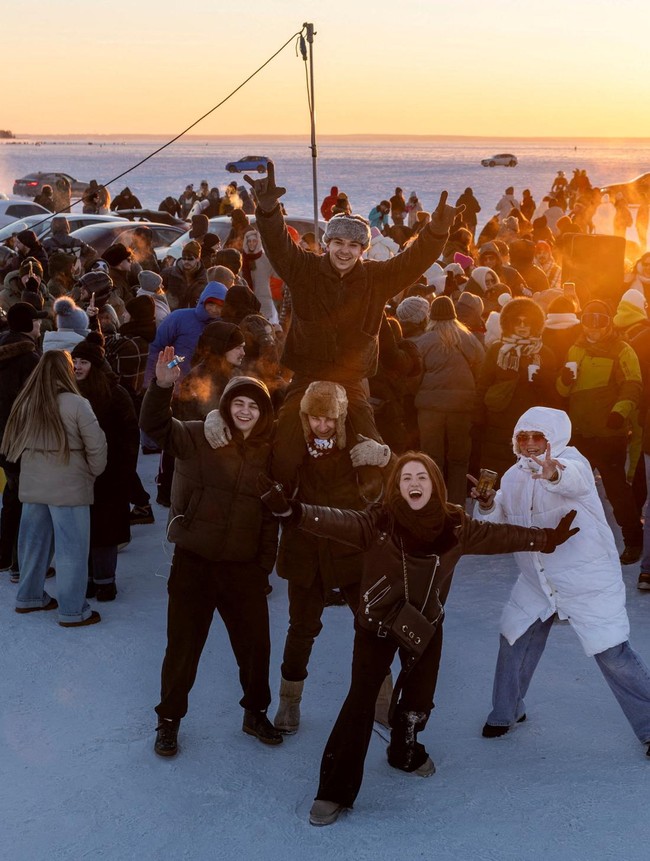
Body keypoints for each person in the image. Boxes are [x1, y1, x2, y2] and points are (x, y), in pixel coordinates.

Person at [261, 451, 576, 825]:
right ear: (397, 486)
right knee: (360, 703)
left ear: (435, 486)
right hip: (378, 625)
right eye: (406, 477)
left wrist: (546, 538)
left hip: (424, 624)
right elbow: (337, 520)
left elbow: (500, 535)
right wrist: (293, 512)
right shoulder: (378, 522)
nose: (414, 483)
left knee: (419, 698)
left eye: (422, 477)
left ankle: (404, 752)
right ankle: (334, 790)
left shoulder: (456, 526)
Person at [245, 160, 462, 494]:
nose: (344, 251)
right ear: (327, 243)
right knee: (284, 450)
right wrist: (269, 210)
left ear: (363, 250)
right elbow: (277, 245)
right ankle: (281, 503)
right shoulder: (304, 269)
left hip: (353, 384)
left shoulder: (377, 278)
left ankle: (375, 509)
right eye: (339, 243)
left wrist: (436, 232)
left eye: (353, 245)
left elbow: (414, 260)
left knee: (371, 452)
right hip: (305, 378)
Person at [474, 406, 650, 756]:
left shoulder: (573, 462)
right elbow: (495, 526)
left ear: (553, 438)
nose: (529, 444)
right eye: (523, 437)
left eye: (538, 436)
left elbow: (574, 479)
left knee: (612, 651)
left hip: (586, 578)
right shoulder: (512, 476)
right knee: (514, 637)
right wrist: (489, 504)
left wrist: (554, 474)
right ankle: (507, 710)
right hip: (537, 580)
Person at [140, 349, 281, 756]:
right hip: (195, 562)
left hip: (243, 567)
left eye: (253, 406)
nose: (245, 411)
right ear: (226, 406)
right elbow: (155, 426)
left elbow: (271, 518)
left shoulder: (270, 455)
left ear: (263, 414)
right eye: (238, 403)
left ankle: (255, 713)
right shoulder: (200, 436)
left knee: (256, 648)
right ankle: (169, 721)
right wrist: (161, 387)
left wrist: (263, 566)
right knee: (182, 649)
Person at [1, 350, 107, 626]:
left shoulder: (26, 402)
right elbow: (96, 446)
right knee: (71, 549)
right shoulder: (77, 404)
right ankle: (73, 610)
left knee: (32, 545)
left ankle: (29, 596)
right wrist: (92, 472)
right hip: (70, 487)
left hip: (34, 485)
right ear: (66, 371)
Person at [557, 299, 643, 563]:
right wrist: (564, 380)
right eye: (588, 320)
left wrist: (619, 412)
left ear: (609, 323)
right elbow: (563, 391)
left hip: (608, 434)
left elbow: (633, 384)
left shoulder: (622, 350)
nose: (593, 327)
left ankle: (633, 540)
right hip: (580, 433)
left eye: (600, 321)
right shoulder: (575, 349)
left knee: (616, 491)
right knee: (572, 490)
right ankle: (571, 540)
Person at [72, 333, 139, 601]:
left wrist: (125, 473)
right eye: (75, 361)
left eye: (84, 362)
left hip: (111, 473)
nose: (78, 367)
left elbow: (130, 435)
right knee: (83, 529)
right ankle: (89, 579)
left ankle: (105, 581)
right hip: (79, 473)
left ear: (96, 366)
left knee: (106, 529)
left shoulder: (116, 394)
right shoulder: (70, 392)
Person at [414, 295, 485, 505]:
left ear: (431, 316)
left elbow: (414, 375)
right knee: (459, 459)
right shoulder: (469, 338)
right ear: (454, 314)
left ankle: (433, 502)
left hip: (430, 409)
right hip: (462, 407)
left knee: (431, 457)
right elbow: (481, 368)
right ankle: (456, 504)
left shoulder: (423, 341)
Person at [0, 302, 46, 579]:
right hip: (19, 438)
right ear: (28, 325)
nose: (40, 324)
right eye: (36, 321)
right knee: (24, 499)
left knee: (12, 495)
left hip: (3, 438)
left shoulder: (5, 346)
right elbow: (35, 402)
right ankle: (20, 563)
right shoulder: (28, 358)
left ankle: (5, 554)